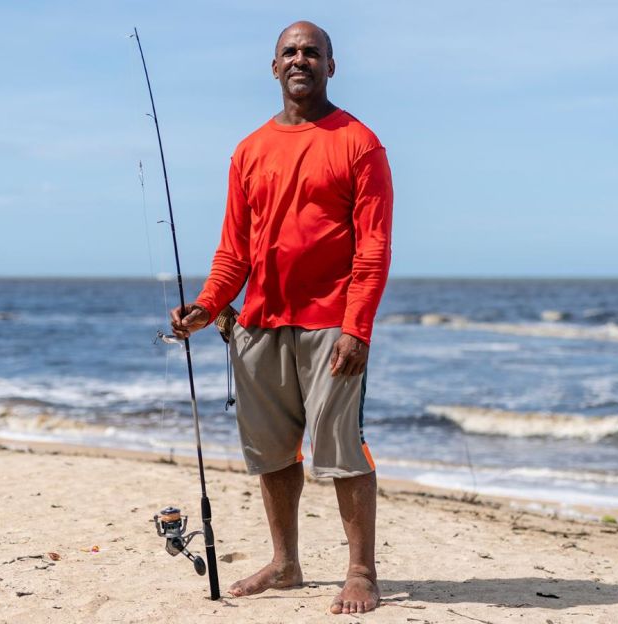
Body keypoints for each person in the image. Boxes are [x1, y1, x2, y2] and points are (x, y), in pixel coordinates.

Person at [169, 20, 392, 615]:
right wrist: (208, 306)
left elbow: (373, 248)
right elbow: (233, 251)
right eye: (290, 52)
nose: (301, 60)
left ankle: (362, 572)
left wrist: (357, 327)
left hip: (331, 325)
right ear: (274, 68)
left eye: (312, 52)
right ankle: (287, 563)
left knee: (343, 448)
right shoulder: (248, 150)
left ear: (331, 65)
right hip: (260, 325)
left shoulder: (359, 143)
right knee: (271, 451)